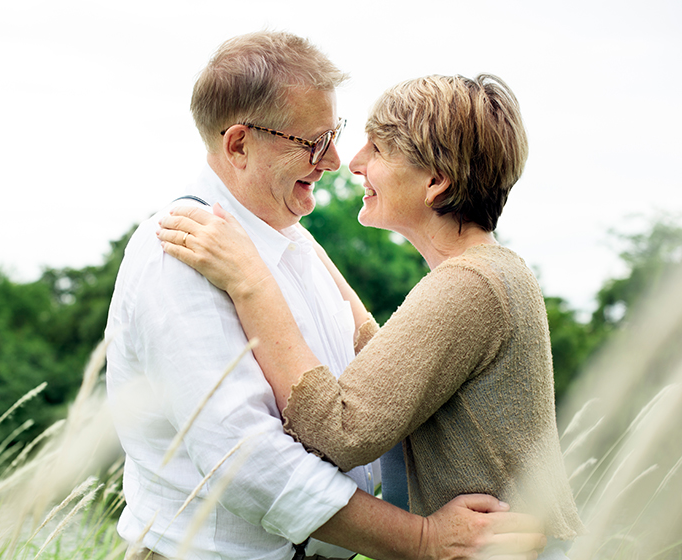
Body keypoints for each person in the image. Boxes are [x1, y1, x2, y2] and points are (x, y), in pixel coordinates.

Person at [107, 31, 546, 560]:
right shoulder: (179, 250)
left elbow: (368, 390)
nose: (337, 160)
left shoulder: (286, 243)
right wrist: (421, 540)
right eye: (313, 142)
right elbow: (245, 462)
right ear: (239, 144)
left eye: (335, 134)